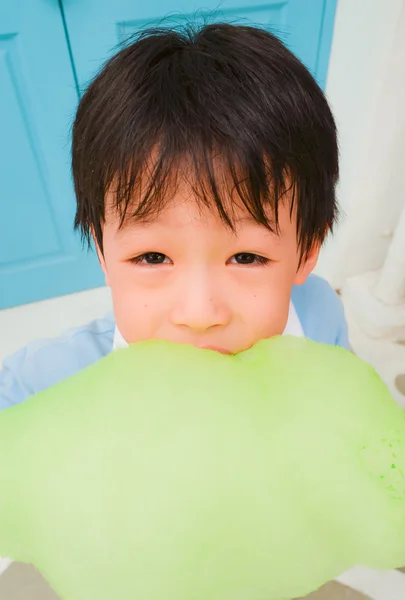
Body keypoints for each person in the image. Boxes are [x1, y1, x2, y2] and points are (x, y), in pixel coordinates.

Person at [0, 22, 348, 409]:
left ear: (308, 251)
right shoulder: (49, 383)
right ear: (101, 251)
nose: (199, 315)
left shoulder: (319, 314)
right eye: (152, 257)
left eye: (247, 258)